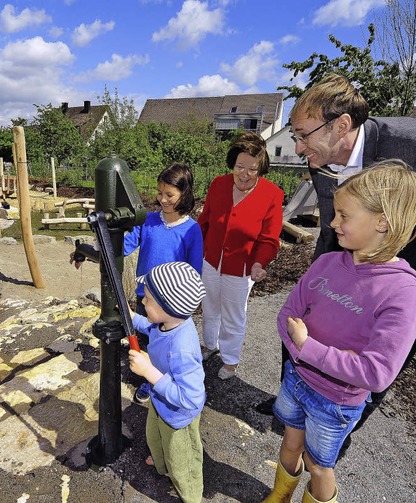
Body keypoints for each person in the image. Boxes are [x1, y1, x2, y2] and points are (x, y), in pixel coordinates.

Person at [256, 73, 416, 451]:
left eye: (302, 135)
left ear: (341, 124)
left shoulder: (407, 143)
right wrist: (320, 272)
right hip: (337, 256)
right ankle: (292, 406)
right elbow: (333, 218)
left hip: (397, 270)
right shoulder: (321, 152)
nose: (296, 148)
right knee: (299, 326)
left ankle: (338, 430)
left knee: (375, 356)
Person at [263, 161, 416, 503]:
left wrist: (307, 347)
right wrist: (310, 354)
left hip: (336, 402)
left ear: (382, 222)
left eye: (344, 215)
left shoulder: (403, 293)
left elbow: (376, 373)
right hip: (297, 380)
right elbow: (287, 315)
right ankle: (279, 495)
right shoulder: (326, 263)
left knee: (319, 466)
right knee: (289, 441)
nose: (332, 223)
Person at [70, 163, 203, 402]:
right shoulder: (149, 221)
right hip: (146, 297)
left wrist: (187, 307)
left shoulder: (192, 230)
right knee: (147, 341)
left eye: (169, 195)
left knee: (168, 348)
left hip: (172, 304)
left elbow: (194, 273)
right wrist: (89, 250)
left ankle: (166, 382)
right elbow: (123, 246)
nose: (162, 199)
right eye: (160, 193)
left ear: (185, 194)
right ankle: (150, 380)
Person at [197, 132, 283, 379]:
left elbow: (269, 238)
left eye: (252, 169)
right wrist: (192, 250)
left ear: (261, 168)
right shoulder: (218, 184)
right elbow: (204, 223)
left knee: (234, 315)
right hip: (211, 261)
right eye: (239, 167)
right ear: (232, 164)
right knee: (209, 306)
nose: (244, 174)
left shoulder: (272, 194)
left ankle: (231, 360)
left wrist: (259, 262)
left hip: (242, 267)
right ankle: (209, 344)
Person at [128, 261, 206, 503]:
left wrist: (149, 372)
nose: (143, 302)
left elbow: (191, 398)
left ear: (168, 307)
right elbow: (149, 327)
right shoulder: (166, 322)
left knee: (182, 459)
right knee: (155, 437)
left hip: (179, 415)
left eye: (148, 299)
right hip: (160, 402)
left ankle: (190, 493)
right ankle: (163, 465)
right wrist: (130, 317)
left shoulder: (182, 347)